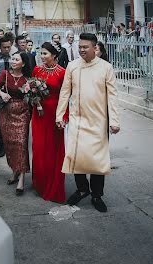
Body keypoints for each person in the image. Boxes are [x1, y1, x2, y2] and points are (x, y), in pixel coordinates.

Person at [56, 33, 120, 213]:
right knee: (78, 157)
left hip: (99, 121)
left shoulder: (106, 67)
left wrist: (114, 121)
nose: (81, 50)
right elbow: (64, 93)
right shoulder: (72, 66)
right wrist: (60, 116)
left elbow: (112, 96)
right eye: (80, 46)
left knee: (98, 161)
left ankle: (97, 195)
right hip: (77, 119)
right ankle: (82, 188)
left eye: (85, 47)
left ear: (94, 48)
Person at [32, 42, 67, 203]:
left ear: (54, 55)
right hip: (39, 114)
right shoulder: (37, 70)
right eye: (41, 53)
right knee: (39, 147)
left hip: (54, 114)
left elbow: (65, 97)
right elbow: (31, 91)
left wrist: (64, 117)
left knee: (53, 149)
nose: (42, 56)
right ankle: (40, 183)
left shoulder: (62, 73)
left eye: (45, 54)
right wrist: (37, 103)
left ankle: (53, 184)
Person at [0, 52, 31, 195]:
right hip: (6, 114)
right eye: (12, 58)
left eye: (16, 59)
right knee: (10, 144)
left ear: (23, 63)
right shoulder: (5, 74)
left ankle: (21, 178)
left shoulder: (28, 78)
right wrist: (1, 93)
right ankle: (14, 171)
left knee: (21, 144)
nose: (13, 61)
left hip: (22, 114)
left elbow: (32, 95)